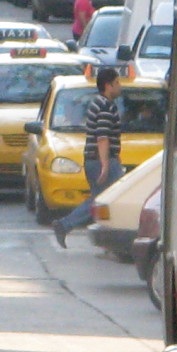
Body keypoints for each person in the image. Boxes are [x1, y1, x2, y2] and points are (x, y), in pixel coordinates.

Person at [52, 68, 126, 247]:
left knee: (101, 199)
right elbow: (102, 137)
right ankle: (66, 224)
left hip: (95, 159)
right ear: (108, 85)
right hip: (100, 160)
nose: (120, 86)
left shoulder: (97, 103)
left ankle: (102, 234)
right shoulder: (105, 106)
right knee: (115, 197)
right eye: (117, 83)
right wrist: (106, 165)